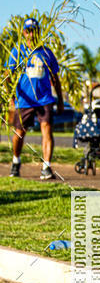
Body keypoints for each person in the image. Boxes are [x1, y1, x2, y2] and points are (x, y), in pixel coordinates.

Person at [6, 17, 63, 180]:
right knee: (19, 133)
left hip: (44, 99)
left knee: (47, 131)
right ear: (24, 33)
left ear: (39, 32)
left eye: (35, 31)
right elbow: (8, 75)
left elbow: (55, 78)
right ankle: (16, 161)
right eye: (28, 31)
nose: (31, 34)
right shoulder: (17, 52)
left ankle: (46, 166)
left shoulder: (46, 53)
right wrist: (11, 94)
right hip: (25, 100)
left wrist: (59, 100)